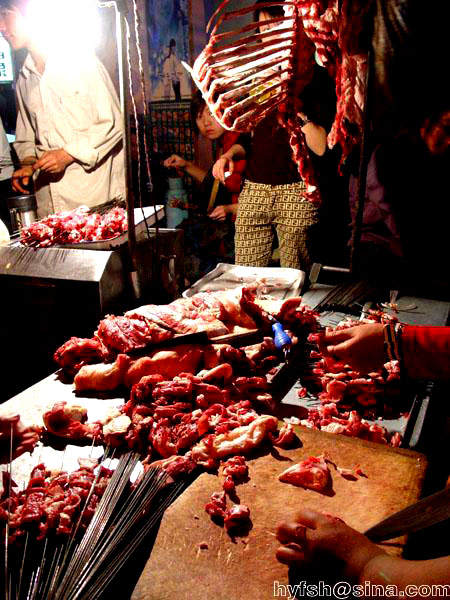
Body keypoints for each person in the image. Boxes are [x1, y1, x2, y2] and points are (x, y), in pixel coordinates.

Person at [212, 1, 336, 271]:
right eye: (263, 28)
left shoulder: (315, 78)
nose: (268, 35)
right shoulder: (259, 79)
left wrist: (294, 109)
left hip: (296, 190)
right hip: (255, 188)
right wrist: (229, 155)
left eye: (275, 26)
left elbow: (322, 147)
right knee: (246, 273)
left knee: (294, 276)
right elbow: (249, 138)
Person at [0, 0, 125, 219]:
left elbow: (113, 124)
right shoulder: (24, 78)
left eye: (6, 14)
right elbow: (26, 137)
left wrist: (67, 155)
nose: (1, 26)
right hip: (49, 205)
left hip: (94, 201)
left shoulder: (80, 60)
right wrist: (28, 164)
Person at [163, 90, 246, 285]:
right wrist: (186, 165)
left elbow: (261, 198)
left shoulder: (240, 143)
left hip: (243, 226)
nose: (206, 123)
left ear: (227, 111)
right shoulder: (226, 141)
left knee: (188, 242)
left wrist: (230, 209)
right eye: (199, 117)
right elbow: (215, 181)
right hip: (232, 222)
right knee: (181, 232)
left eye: (211, 114)